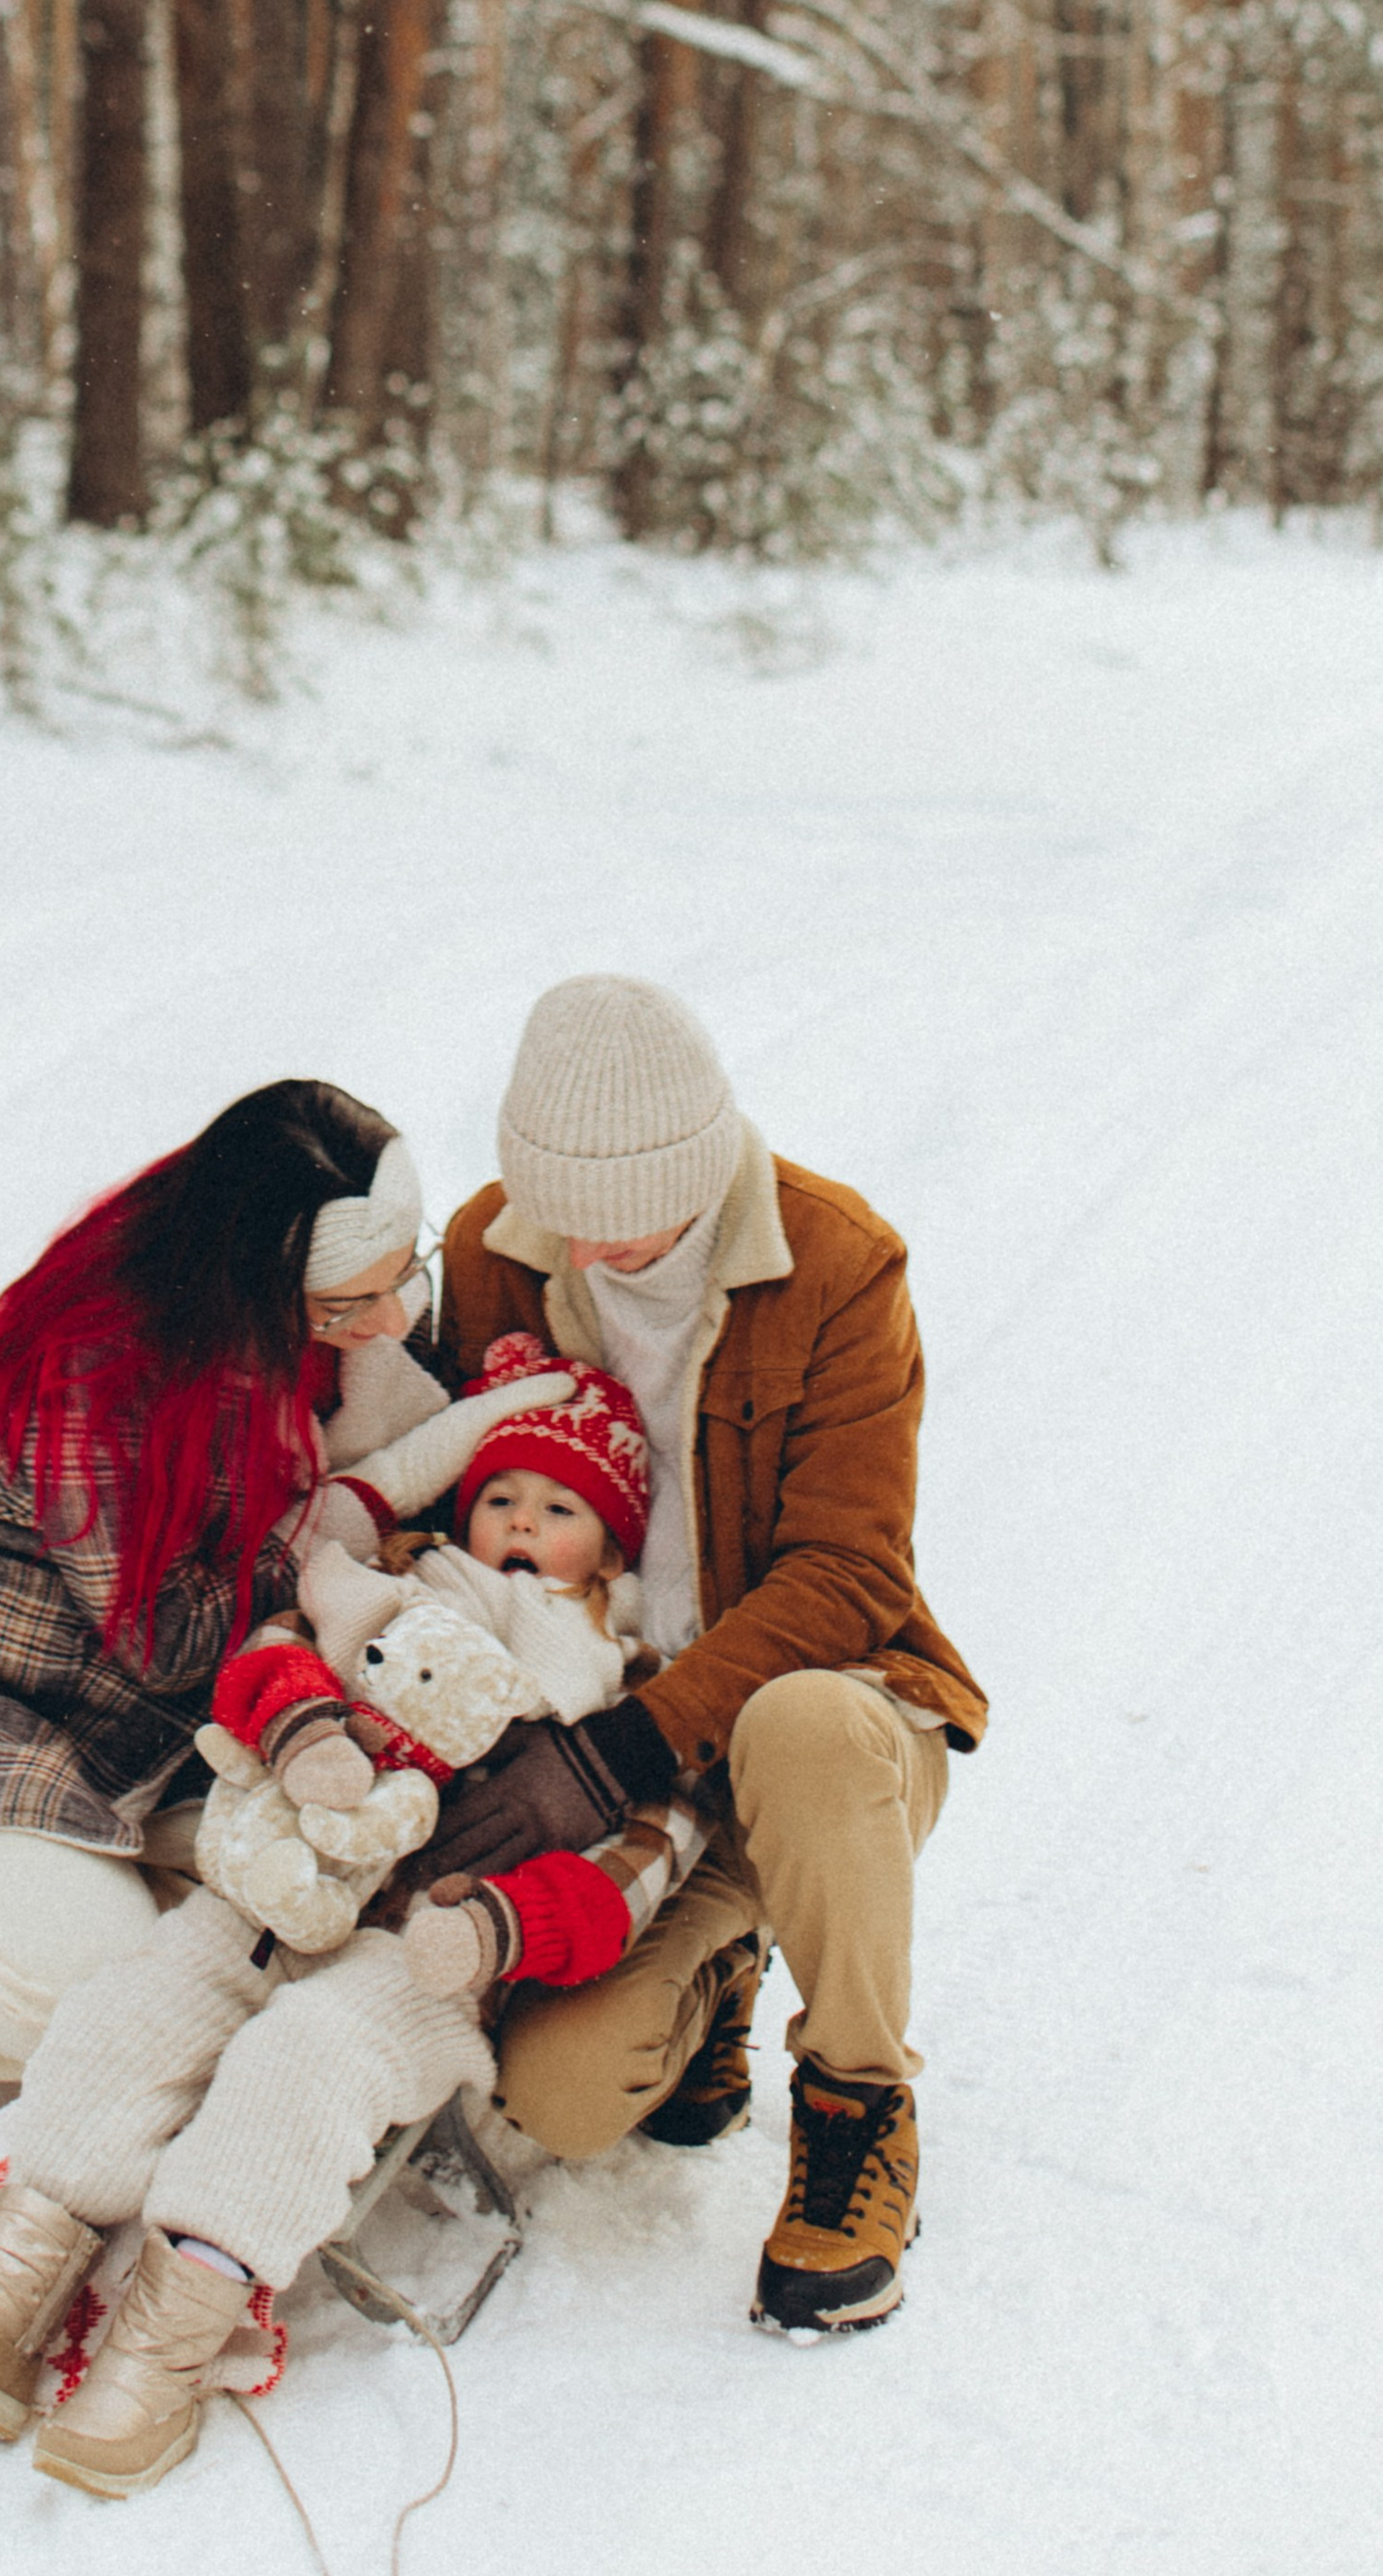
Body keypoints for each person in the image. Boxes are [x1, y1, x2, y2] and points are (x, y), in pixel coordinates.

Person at [0, 1356, 703, 2503]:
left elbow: (637, 1867)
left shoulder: (621, 1690)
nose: (519, 1524)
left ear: (608, 1549)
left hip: (428, 1951)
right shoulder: (395, 1586)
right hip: (277, 1879)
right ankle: (10, 2283)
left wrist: (507, 1925)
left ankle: (160, 2353)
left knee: (302, 2064)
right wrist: (308, 1729)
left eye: (558, 1511)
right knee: (138, 2011)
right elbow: (268, 1652)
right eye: (501, 1495)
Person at [0, 1077, 517, 2098]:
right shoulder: (111, 1369)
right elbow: (167, 1641)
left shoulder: (324, 1326)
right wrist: (343, 1525)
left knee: (234, 1959)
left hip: (120, 1730)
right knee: (104, 2001)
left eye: (404, 1275)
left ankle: (5, 1904)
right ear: (260, 1284)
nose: (390, 1321)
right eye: (351, 1303)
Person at [433, 973, 988, 2340]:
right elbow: (454, 1500)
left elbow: (851, 1574)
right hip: (620, 1752)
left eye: (633, 1224)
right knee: (560, 2101)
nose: (599, 1255)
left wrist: (643, 1734)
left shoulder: (839, 1263)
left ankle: (862, 2110)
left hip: (825, 1727)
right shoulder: (498, 1250)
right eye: (570, 1221)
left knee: (795, 1724)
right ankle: (715, 1967)